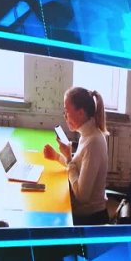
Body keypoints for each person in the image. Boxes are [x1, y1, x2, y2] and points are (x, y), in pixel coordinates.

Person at [44, 87, 109, 225]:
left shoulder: (93, 142)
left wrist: (68, 158)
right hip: (84, 212)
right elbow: (77, 167)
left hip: (89, 219)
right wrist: (57, 156)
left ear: (80, 113)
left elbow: (82, 196)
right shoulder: (87, 134)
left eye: (67, 111)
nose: (65, 116)